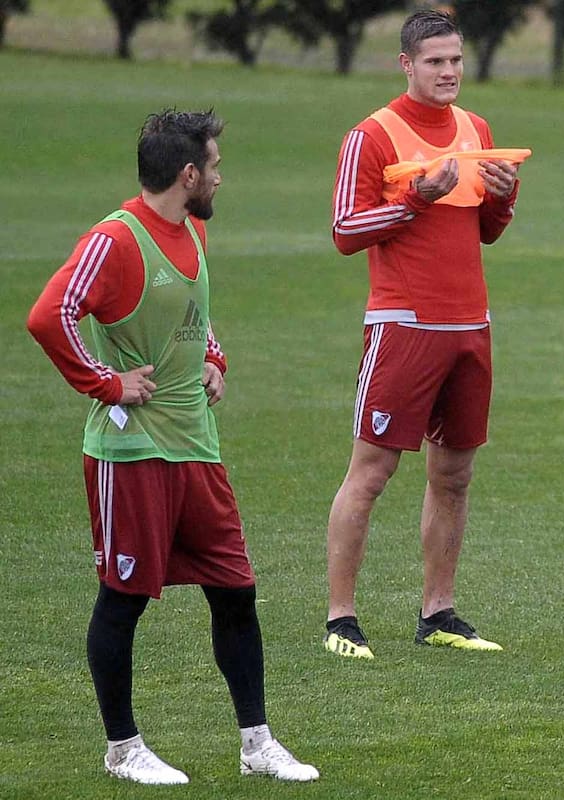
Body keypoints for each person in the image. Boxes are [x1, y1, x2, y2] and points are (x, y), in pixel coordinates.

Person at [27, 110, 319, 784]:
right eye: (214, 167)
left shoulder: (195, 230)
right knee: (123, 599)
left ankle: (257, 744)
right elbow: (50, 314)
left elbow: (193, 310)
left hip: (196, 447)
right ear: (188, 175)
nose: (221, 176)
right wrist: (106, 383)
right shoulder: (115, 239)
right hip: (129, 456)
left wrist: (213, 356)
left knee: (236, 592)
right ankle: (123, 749)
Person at [323, 8, 522, 659]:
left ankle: (438, 613)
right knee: (372, 471)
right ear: (405, 64)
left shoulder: (476, 129)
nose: (448, 73)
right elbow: (346, 232)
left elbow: (485, 231)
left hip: (471, 326)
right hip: (404, 326)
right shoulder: (372, 135)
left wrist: (501, 198)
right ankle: (341, 620)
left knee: (455, 475)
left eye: (456, 60)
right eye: (435, 61)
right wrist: (416, 197)